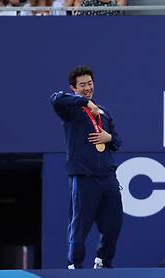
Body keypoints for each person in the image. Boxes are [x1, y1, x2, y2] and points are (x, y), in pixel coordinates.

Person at [50, 66, 124, 269]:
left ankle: (103, 260)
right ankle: (75, 264)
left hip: (108, 176)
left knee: (114, 223)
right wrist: (84, 102)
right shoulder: (71, 110)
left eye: (89, 83)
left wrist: (108, 137)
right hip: (84, 176)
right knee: (80, 225)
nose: (87, 88)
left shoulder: (104, 112)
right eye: (82, 85)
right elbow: (55, 99)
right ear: (73, 88)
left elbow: (117, 140)